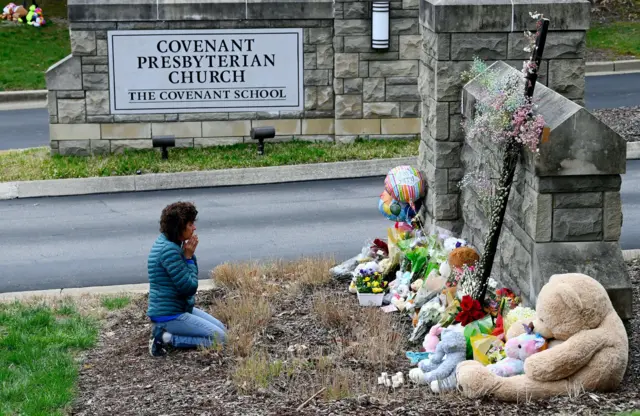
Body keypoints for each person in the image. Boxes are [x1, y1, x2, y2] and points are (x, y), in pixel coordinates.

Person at [147, 201, 227, 357]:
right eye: (190, 224)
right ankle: (165, 338)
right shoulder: (169, 250)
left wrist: (187, 256)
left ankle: (166, 334)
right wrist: (189, 257)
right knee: (222, 339)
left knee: (222, 329)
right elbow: (189, 287)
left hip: (178, 308)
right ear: (179, 227)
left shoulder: (171, 243)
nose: (194, 227)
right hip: (169, 314)